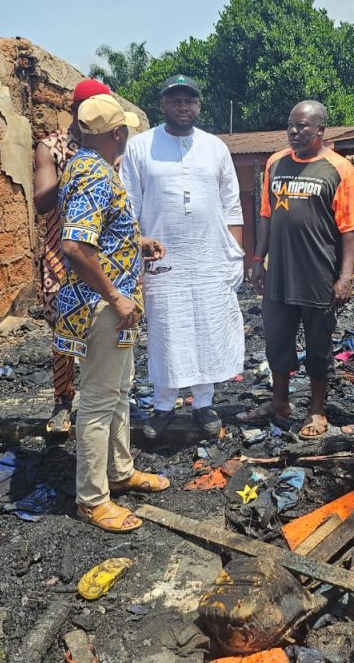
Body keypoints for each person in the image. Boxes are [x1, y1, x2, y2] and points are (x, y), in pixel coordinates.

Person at [55, 93, 169, 533]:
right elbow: (74, 246)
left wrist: (136, 243)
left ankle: (119, 473)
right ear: (118, 132)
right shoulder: (95, 175)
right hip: (103, 305)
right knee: (100, 400)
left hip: (112, 302)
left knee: (119, 391)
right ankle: (92, 499)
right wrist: (116, 297)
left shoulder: (92, 168)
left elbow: (94, 231)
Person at [120, 75, 245, 441]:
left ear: (199, 106)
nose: (183, 106)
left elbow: (232, 205)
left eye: (189, 100)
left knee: (207, 328)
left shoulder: (215, 148)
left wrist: (234, 256)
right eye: (175, 100)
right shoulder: (141, 147)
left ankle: (203, 403)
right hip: (162, 261)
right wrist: (137, 251)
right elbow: (129, 206)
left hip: (208, 258)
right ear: (163, 105)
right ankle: (163, 405)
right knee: (167, 331)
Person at [248, 100, 354, 439]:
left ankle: (316, 410)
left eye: (303, 126)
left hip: (318, 275)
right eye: (291, 126)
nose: (295, 132)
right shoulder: (275, 162)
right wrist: (258, 260)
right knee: (276, 342)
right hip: (279, 274)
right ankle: (280, 402)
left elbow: (350, 228)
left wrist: (345, 277)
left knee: (318, 346)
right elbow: (266, 216)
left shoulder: (340, 169)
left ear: (320, 130)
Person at [33, 78, 113, 435]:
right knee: (63, 331)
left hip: (104, 252)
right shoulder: (52, 146)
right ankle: (63, 400)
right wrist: (78, 171)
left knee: (108, 327)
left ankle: (103, 399)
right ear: (75, 112)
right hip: (60, 254)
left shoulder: (112, 143)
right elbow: (42, 201)